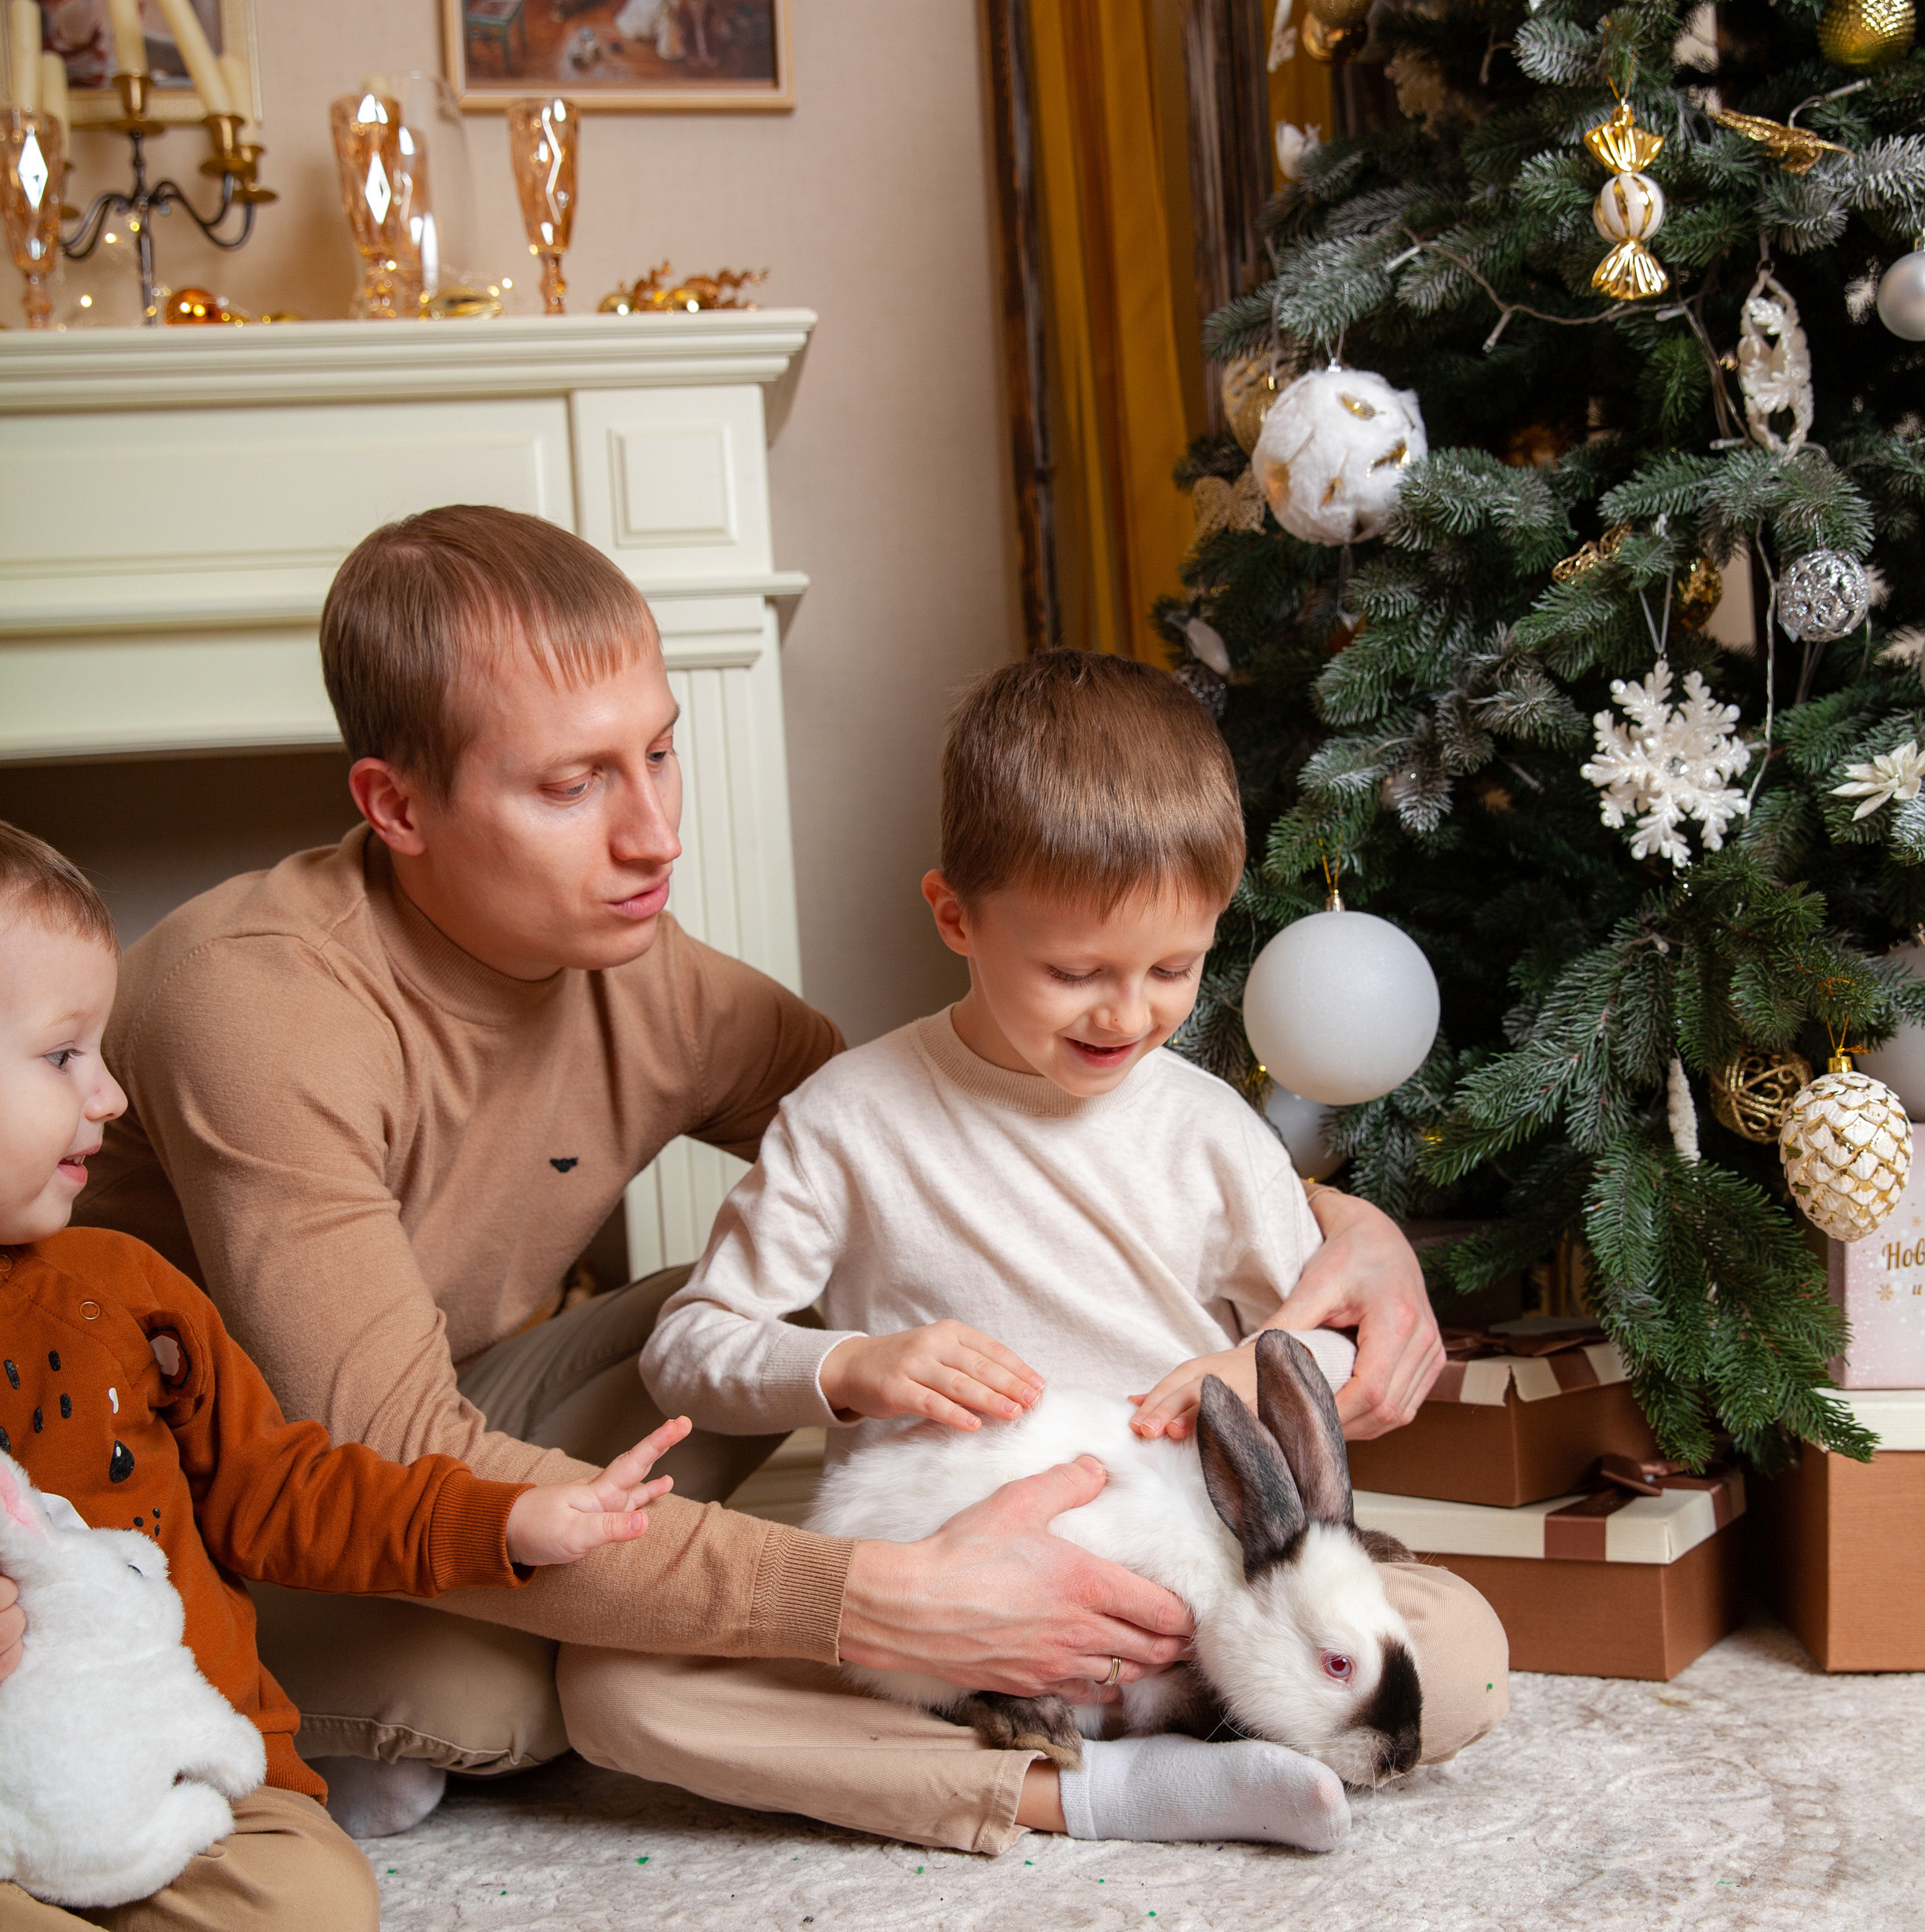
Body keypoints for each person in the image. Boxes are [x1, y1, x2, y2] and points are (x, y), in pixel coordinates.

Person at [78, 504, 1446, 1860]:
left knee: (720, 1339)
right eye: (573, 785)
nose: (655, 836)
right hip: (198, 1485)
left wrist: (1351, 1226)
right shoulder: (256, 1007)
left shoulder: (637, 969)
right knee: (499, 1700)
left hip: (472, 1394)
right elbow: (379, 1446)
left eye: (660, 753)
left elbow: (946, 1138)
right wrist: (868, 1598)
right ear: (396, 806)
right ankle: (1023, 1752)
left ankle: (883, 1653)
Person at [632, 652, 1509, 1850]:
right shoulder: (849, 1119)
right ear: (954, 916)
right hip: (957, 1603)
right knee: (620, 1689)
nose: (1128, 1016)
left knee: (1460, 1659)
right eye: (1074, 973)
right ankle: (1107, 1787)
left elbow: (1323, 1336)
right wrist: (850, 1368)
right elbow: (685, 1349)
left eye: (1173, 970)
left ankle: (1136, 1729)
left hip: (1195, 1594)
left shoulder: (1208, 1130)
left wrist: (1256, 1361)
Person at [0, 823, 693, 1932]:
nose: (112, 1096)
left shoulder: (124, 1286)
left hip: (165, 1781)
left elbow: (284, 1484)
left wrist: (510, 1518)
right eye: (63, 1058)